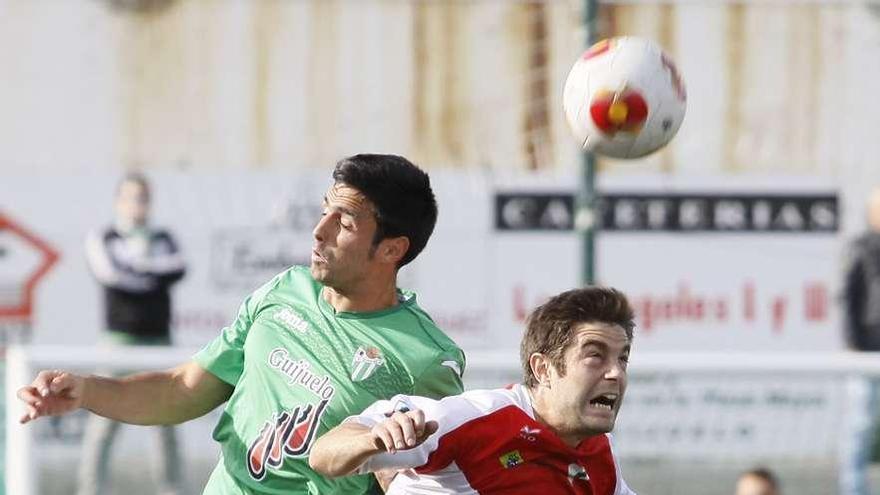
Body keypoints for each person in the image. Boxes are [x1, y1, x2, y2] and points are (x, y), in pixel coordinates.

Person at [17, 154, 466, 495]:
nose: (319, 230)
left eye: (344, 222)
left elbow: (422, 483)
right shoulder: (285, 291)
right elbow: (183, 389)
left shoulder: (424, 358)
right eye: (323, 211)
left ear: (391, 250)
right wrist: (87, 391)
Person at [310, 287, 637, 495]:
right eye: (595, 356)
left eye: (622, 359)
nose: (615, 373)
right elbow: (323, 455)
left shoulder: (597, 454)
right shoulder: (476, 418)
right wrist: (372, 440)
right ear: (543, 369)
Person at [81, 171, 187, 495]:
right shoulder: (105, 237)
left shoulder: (163, 237)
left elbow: (178, 268)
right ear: (118, 201)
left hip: (159, 343)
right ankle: (90, 491)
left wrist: (139, 266)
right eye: (130, 197)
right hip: (118, 344)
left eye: (142, 198)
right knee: (103, 422)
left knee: (166, 422)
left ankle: (172, 489)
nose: (136, 205)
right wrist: (148, 271)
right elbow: (112, 275)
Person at [841, 187, 880, 495]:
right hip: (868, 352)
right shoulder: (860, 249)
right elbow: (848, 298)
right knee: (859, 426)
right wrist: (854, 343)